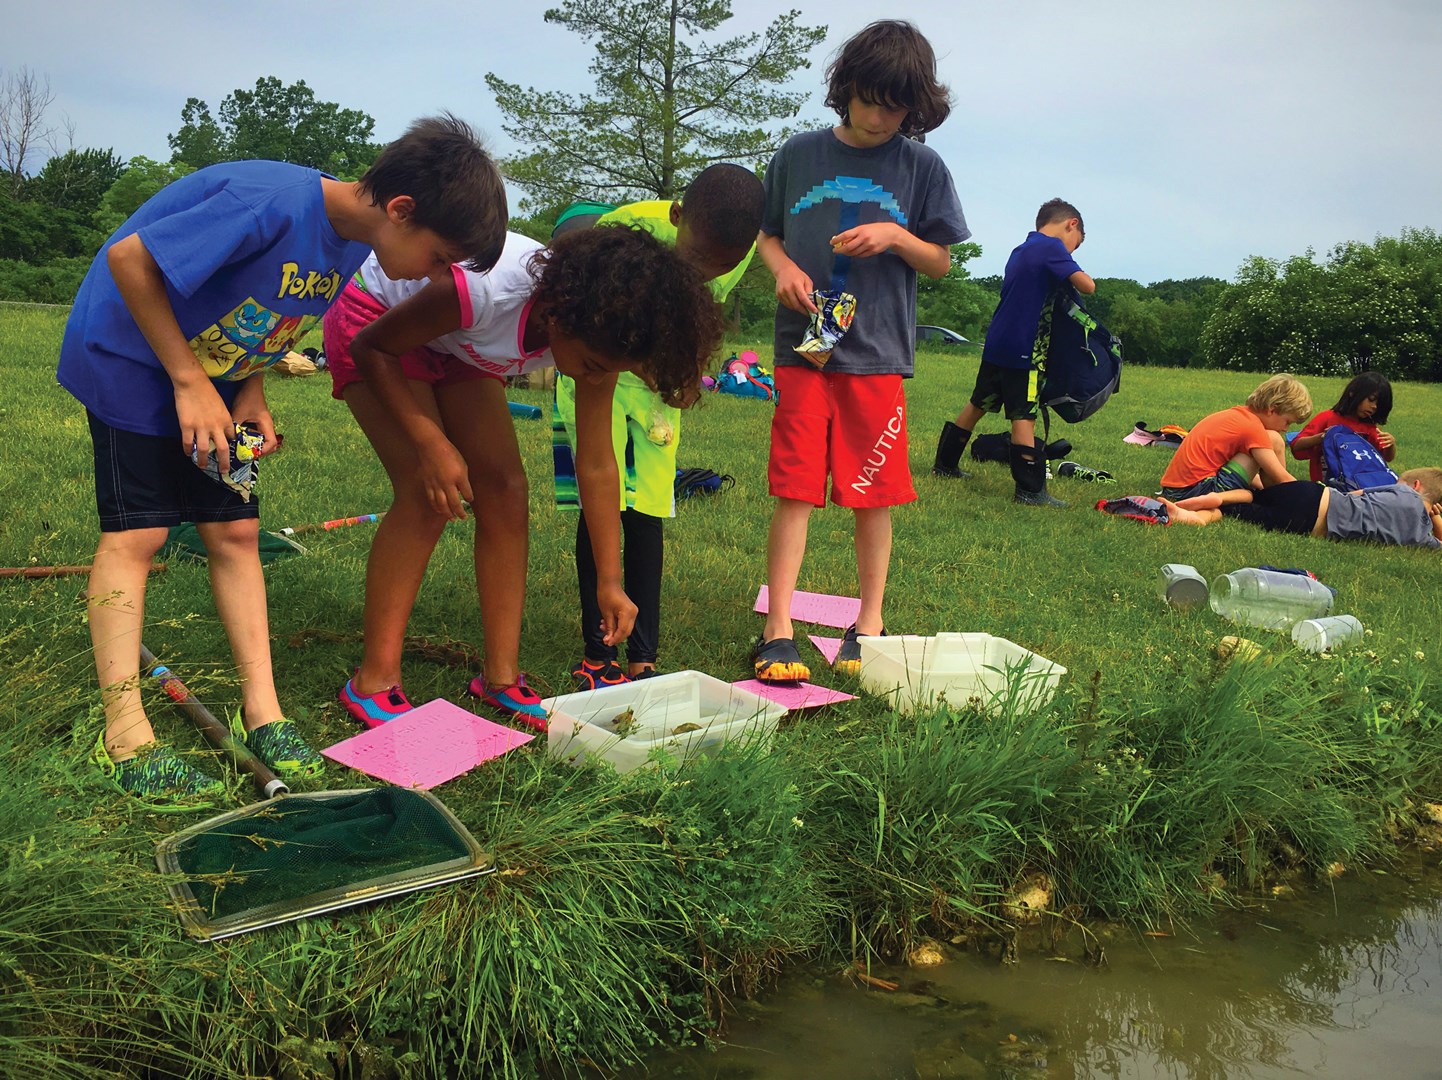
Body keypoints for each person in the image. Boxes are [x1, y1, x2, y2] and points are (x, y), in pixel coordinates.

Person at [59, 115, 506, 807]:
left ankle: (262, 712)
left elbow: (267, 313)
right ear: (401, 210)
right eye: (441, 256)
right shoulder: (266, 203)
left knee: (236, 531)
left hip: (220, 382)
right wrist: (188, 383)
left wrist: (252, 388)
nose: (436, 276)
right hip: (132, 361)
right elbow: (130, 261)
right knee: (139, 535)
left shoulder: (357, 241)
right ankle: (125, 734)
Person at [325, 225, 725, 730]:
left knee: (508, 492)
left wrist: (610, 581)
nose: (596, 377)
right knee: (426, 494)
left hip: (457, 345)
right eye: (597, 366)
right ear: (559, 315)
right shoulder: (488, 289)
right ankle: (373, 681)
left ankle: (500, 677)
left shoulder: (601, 337)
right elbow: (373, 348)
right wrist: (431, 444)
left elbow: (598, 463)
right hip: (378, 324)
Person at [751, 19, 969, 682]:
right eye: (870, 100)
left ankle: (868, 624)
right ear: (846, 88)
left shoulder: (922, 166)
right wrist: (783, 268)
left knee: (873, 492)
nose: (880, 117)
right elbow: (767, 235)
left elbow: (940, 262)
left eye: (897, 107)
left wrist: (894, 237)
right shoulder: (798, 154)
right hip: (804, 349)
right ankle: (778, 626)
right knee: (795, 486)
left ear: (917, 107)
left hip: (877, 354)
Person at [554, 164, 765, 690]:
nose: (708, 272)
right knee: (601, 501)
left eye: (724, 265)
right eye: (697, 258)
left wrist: (685, 375)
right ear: (677, 219)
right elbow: (596, 326)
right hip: (602, 364)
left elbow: (697, 319)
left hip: (654, 385)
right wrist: (657, 369)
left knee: (647, 505)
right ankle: (596, 653)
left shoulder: (733, 254)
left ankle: (643, 656)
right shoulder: (629, 231)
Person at [932, 198, 1095, 507]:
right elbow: (1087, 286)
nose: (1072, 252)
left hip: (998, 343)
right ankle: (1030, 490)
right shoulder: (1052, 247)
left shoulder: (1021, 249)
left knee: (978, 403)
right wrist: (1074, 267)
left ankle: (945, 465)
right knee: (1024, 414)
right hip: (1025, 349)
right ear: (1071, 224)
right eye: (1076, 245)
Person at [1160, 467, 1442, 549]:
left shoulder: (1402, 492)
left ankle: (1223, 496)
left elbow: (1356, 492)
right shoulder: (1422, 537)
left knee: (1257, 496)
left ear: (1414, 485)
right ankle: (1198, 514)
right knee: (1242, 513)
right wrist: (1437, 523)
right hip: (1309, 523)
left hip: (1313, 494)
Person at [1156, 374, 1313, 501]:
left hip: (1174, 490)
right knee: (1274, 439)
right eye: (1287, 422)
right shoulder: (1254, 428)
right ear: (1272, 410)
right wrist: (1312, 493)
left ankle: (1272, 494)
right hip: (1197, 490)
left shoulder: (1238, 415)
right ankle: (1279, 497)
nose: (1286, 429)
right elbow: (1281, 477)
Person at [1289, 371, 1397, 482]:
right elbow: (1296, 446)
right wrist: (1323, 437)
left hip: (1357, 486)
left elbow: (1385, 458)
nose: (1374, 406)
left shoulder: (1370, 428)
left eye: (1378, 404)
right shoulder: (1327, 418)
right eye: (1371, 399)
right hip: (1326, 485)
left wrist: (1391, 445)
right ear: (1353, 393)